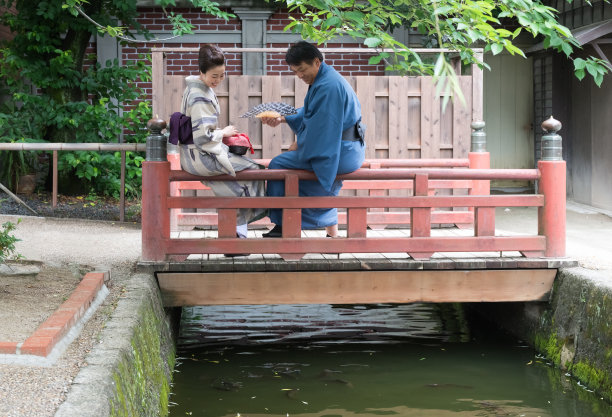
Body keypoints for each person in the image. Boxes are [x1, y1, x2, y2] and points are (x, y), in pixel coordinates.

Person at [260, 41, 366, 238]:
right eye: (295, 71)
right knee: (309, 176)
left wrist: (300, 143)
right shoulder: (326, 79)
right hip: (345, 148)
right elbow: (312, 114)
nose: (300, 75)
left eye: (302, 69)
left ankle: (284, 226)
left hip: (339, 151)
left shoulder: (328, 86)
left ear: (317, 61)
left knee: (277, 166)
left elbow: (323, 128)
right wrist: (283, 118)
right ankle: (331, 235)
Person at [175, 44, 266, 246]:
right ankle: (239, 232)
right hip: (200, 157)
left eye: (222, 75)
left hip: (193, 155)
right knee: (254, 172)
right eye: (214, 76)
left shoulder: (198, 89)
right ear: (201, 72)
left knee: (239, 181)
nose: (218, 80)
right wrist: (223, 133)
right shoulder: (200, 95)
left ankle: (235, 233)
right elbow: (202, 137)